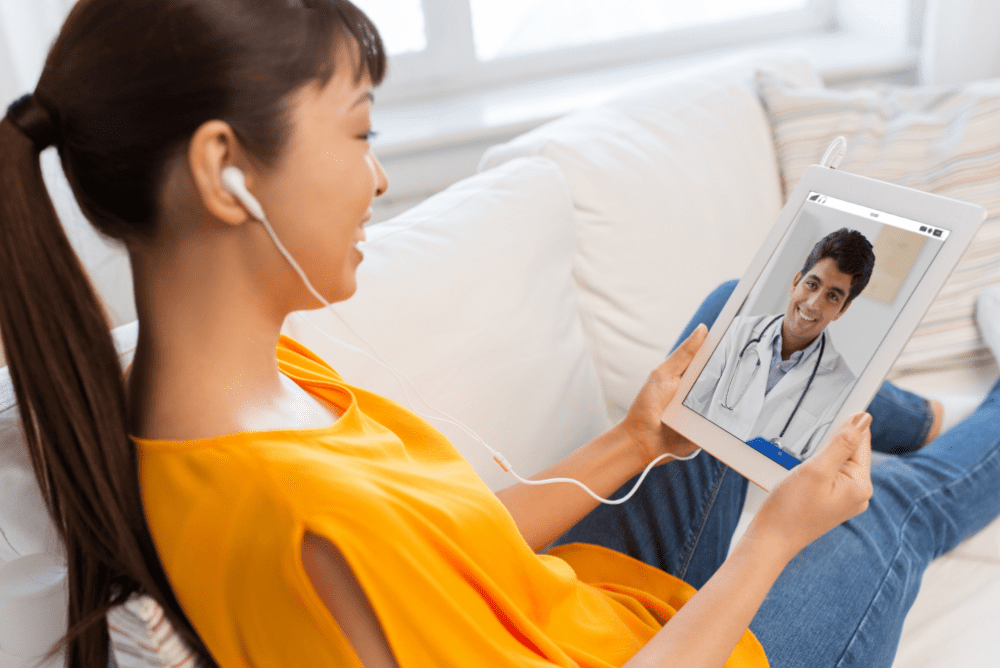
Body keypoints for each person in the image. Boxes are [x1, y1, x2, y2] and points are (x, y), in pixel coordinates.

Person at [0, 1, 994, 667]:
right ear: (225, 171)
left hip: (581, 604)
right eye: (357, 131)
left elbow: (440, 551)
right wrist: (773, 539)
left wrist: (636, 438)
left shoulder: (239, 380)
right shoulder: (296, 524)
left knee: (731, 315)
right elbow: (373, 551)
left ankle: (936, 408)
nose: (378, 177)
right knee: (883, 508)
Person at [685, 229, 874, 460]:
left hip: (754, 489)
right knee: (730, 291)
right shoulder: (737, 332)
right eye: (812, 284)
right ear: (796, 282)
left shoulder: (843, 386)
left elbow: (808, 468)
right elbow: (686, 406)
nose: (813, 304)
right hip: (698, 458)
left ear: (842, 310)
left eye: (832, 297)